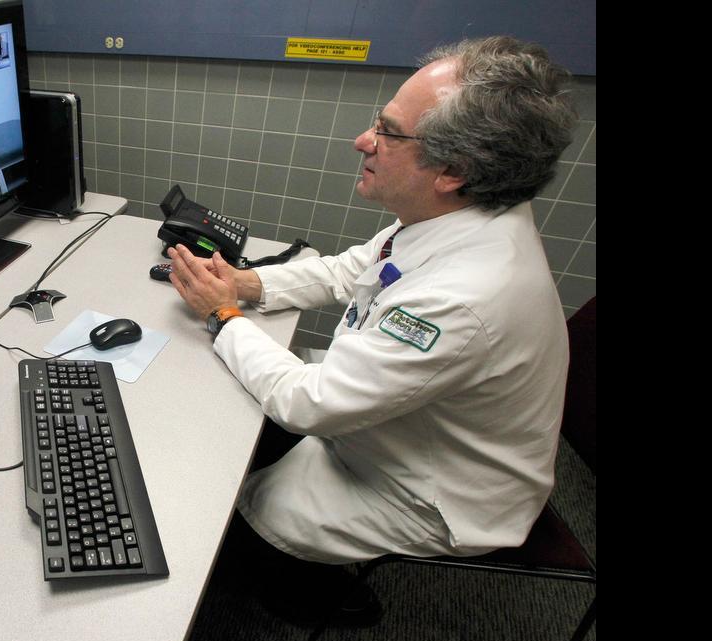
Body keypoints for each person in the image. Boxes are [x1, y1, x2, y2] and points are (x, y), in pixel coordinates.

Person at [166, 36, 576, 624]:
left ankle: (322, 601)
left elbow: (311, 405)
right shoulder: (463, 213)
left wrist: (223, 315)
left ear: (454, 170)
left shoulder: (467, 295)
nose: (365, 141)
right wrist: (245, 285)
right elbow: (351, 268)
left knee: (233, 520)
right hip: (402, 427)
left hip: (435, 492)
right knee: (238, 430)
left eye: (388, 131)